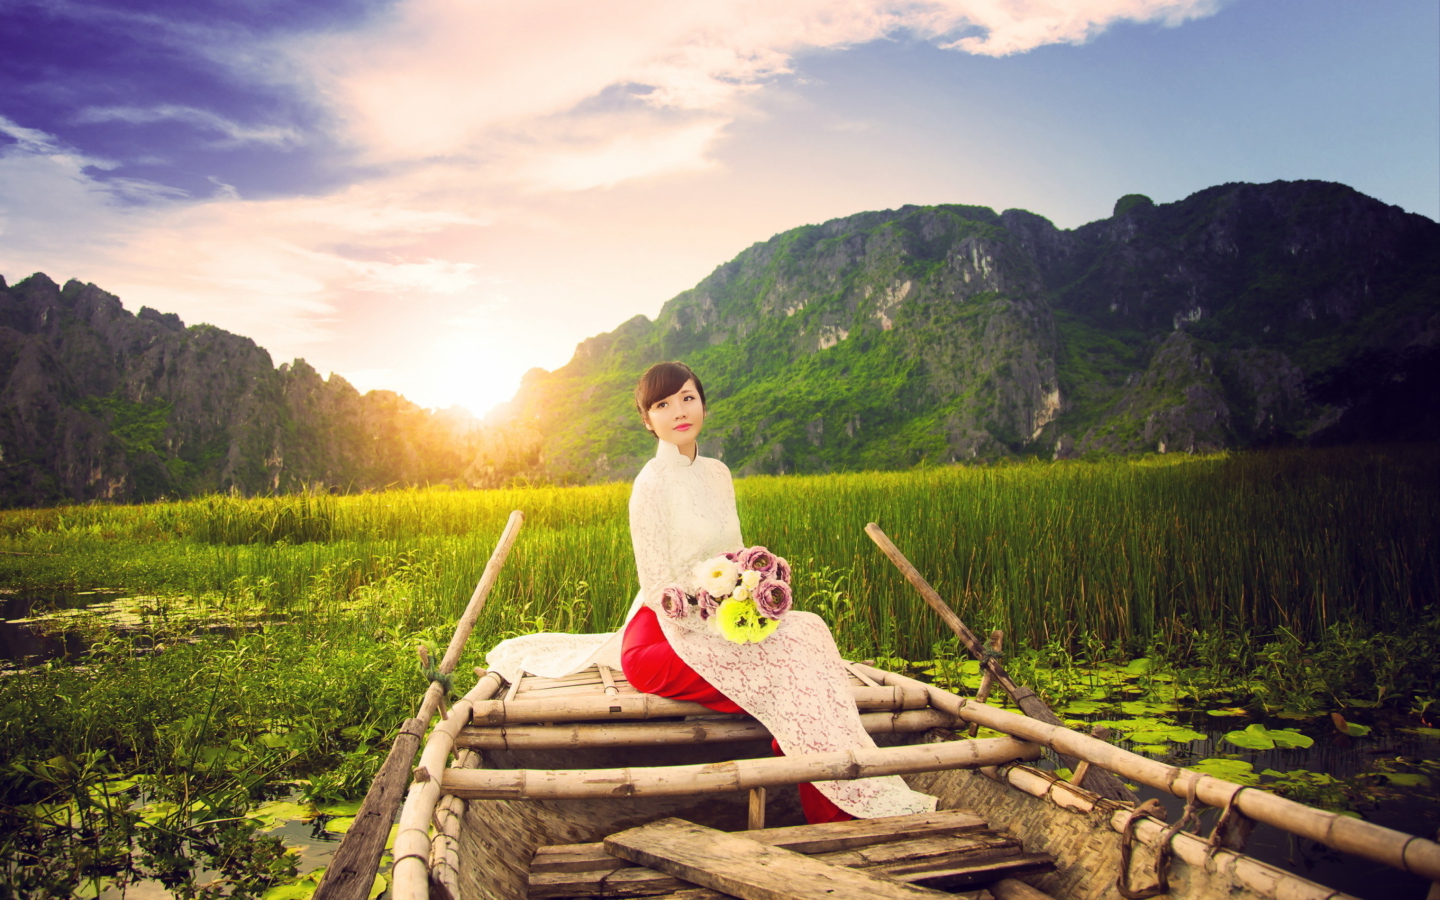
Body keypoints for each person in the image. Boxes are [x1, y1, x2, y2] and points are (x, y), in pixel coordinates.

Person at [486, 361, 935, 822]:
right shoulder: (650, 485)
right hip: (664, 633)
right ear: (647, 420)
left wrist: (751, 591)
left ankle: (844, 773)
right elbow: (659, 587)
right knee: (784, 674)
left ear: (702, 403)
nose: (678, 411)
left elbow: (734, 553)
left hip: (723, 615)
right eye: (662, 405)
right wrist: (720, 620)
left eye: (687, 398)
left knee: (810, 632)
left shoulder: (718, 473)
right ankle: (833, 807)